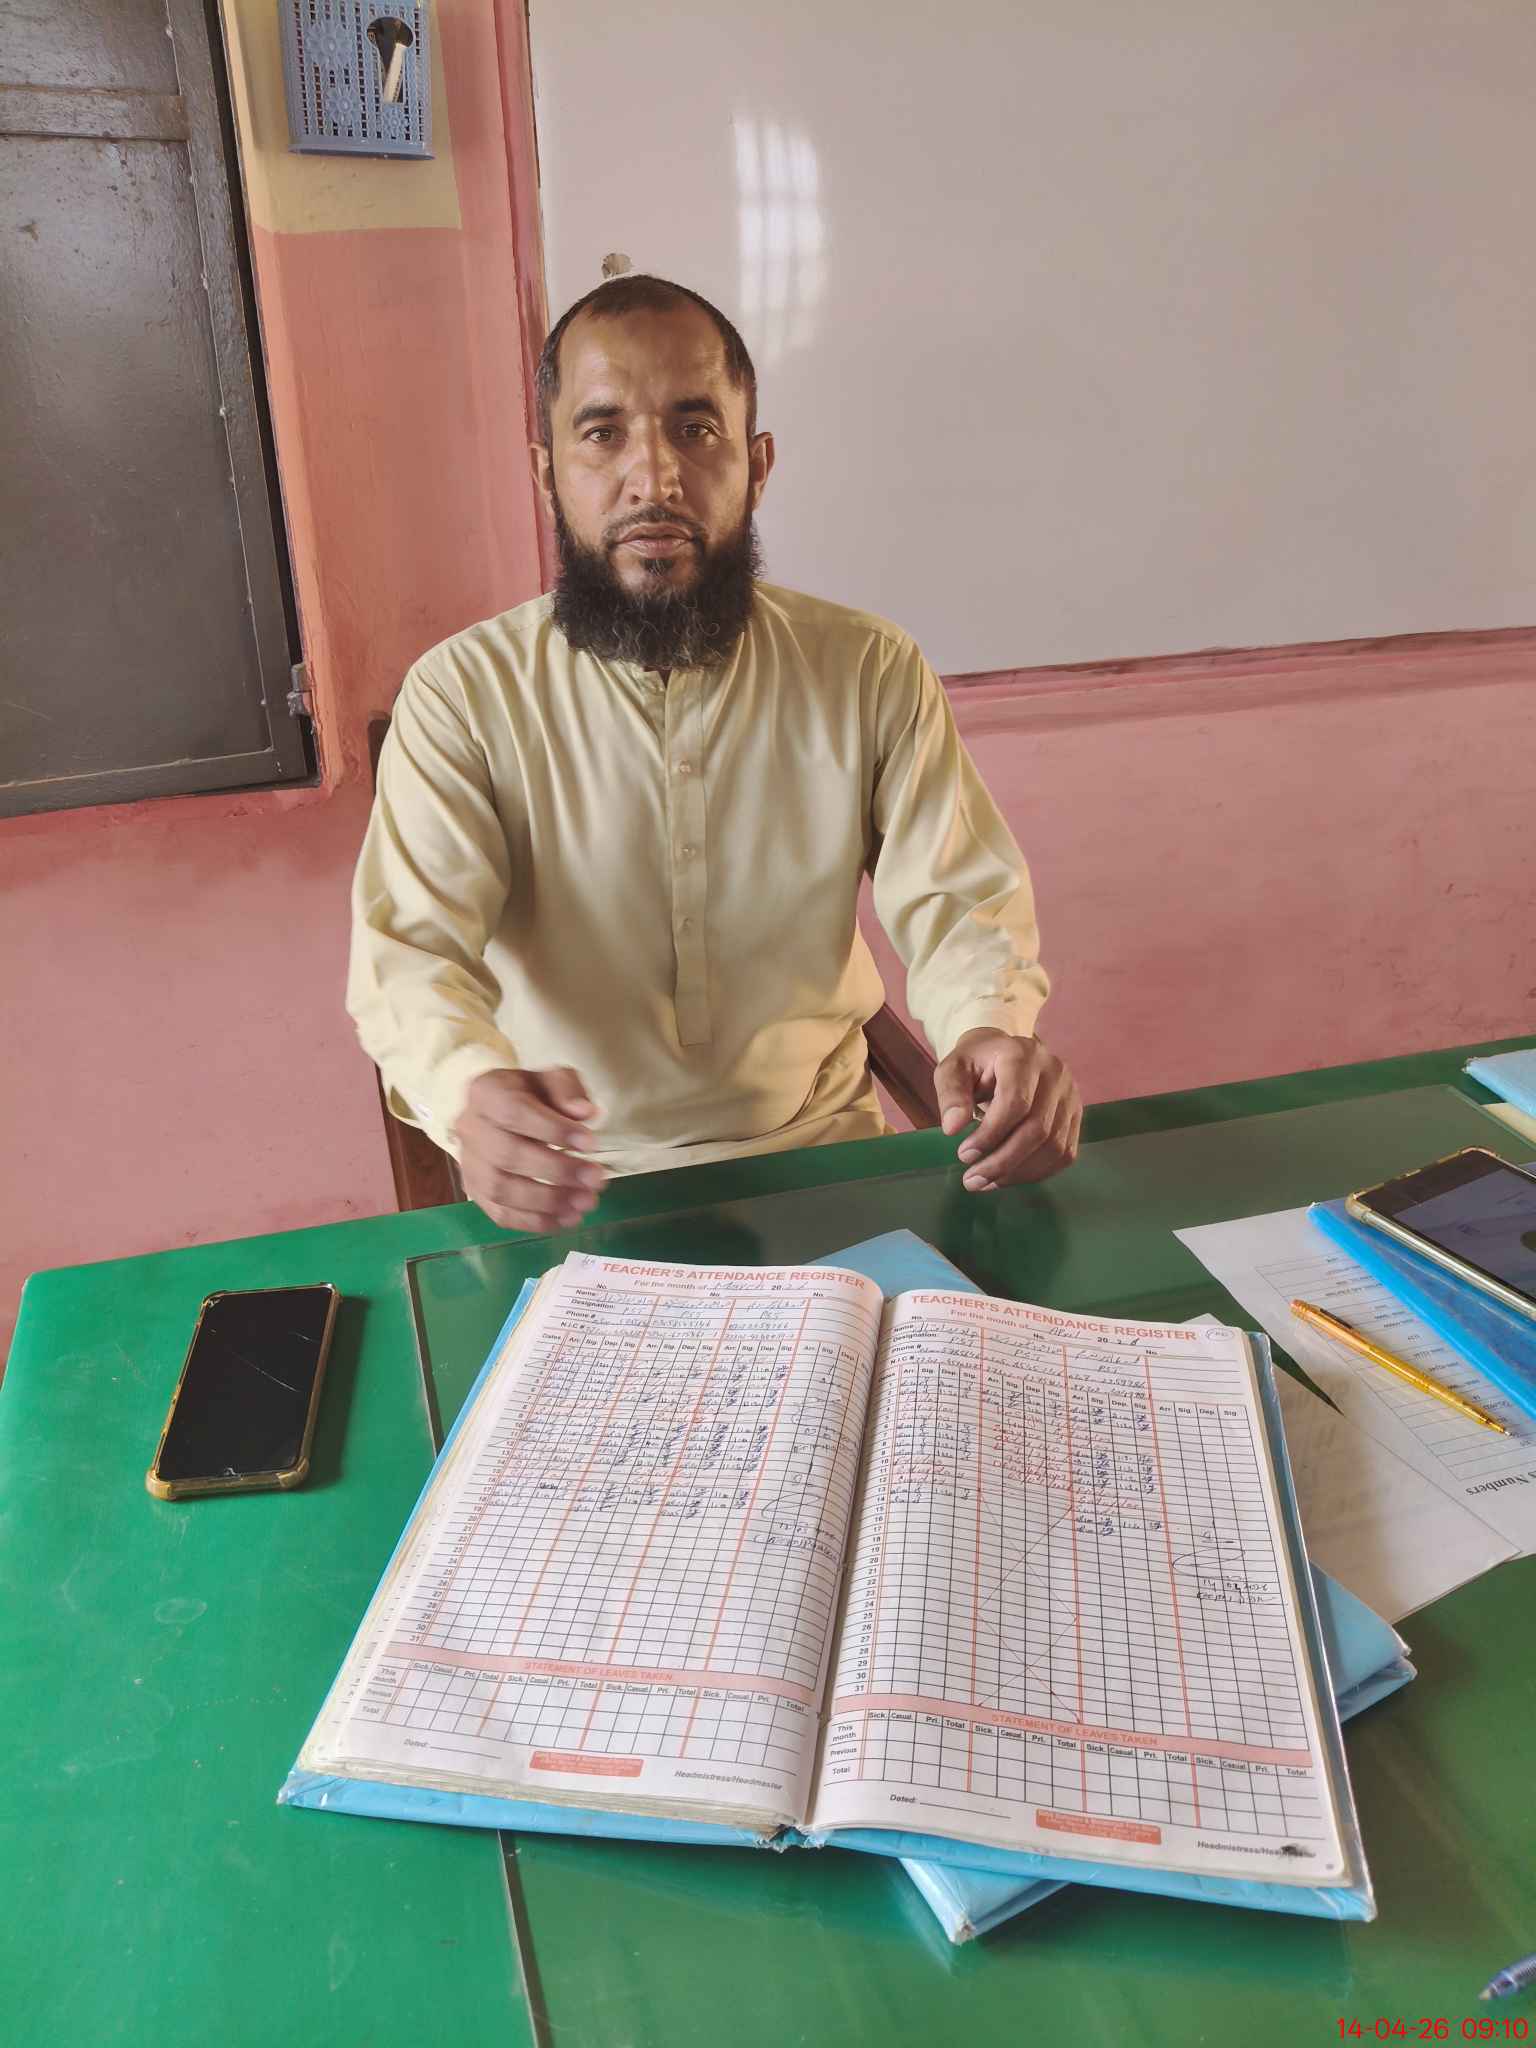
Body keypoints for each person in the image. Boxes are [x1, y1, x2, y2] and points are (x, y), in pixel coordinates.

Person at [348, 274, 1081, 1234]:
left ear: (757, 464)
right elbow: (410, 953)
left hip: (825, 1164)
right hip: (574, 1193)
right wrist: (468, 1090)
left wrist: (990, 1024)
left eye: (695, 429)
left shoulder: (866, 667)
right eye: (602, 433)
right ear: (547, 474)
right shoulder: (462, 695)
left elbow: (960, 902)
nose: (654, 479)